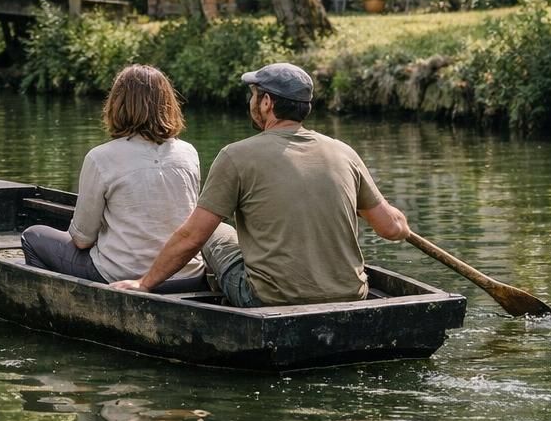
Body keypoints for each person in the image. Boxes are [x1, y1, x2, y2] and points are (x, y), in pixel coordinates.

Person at [109, 62, 410, 306]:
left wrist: (144, 282)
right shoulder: (344, 153)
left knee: (215, 232)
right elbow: (392, 229)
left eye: (254, 95)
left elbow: (192, 237)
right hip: (351, 294)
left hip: (268, 299)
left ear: (267, 103)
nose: (251, 101)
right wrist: (401, 222)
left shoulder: (236, 155)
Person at [21, 64, 208, 292]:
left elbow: (82, 240)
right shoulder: (189, 152)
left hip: (123, 277)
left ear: (116, 105)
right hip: (188, 275)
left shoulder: (101, 158)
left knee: (33, 236)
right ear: (168, 105)